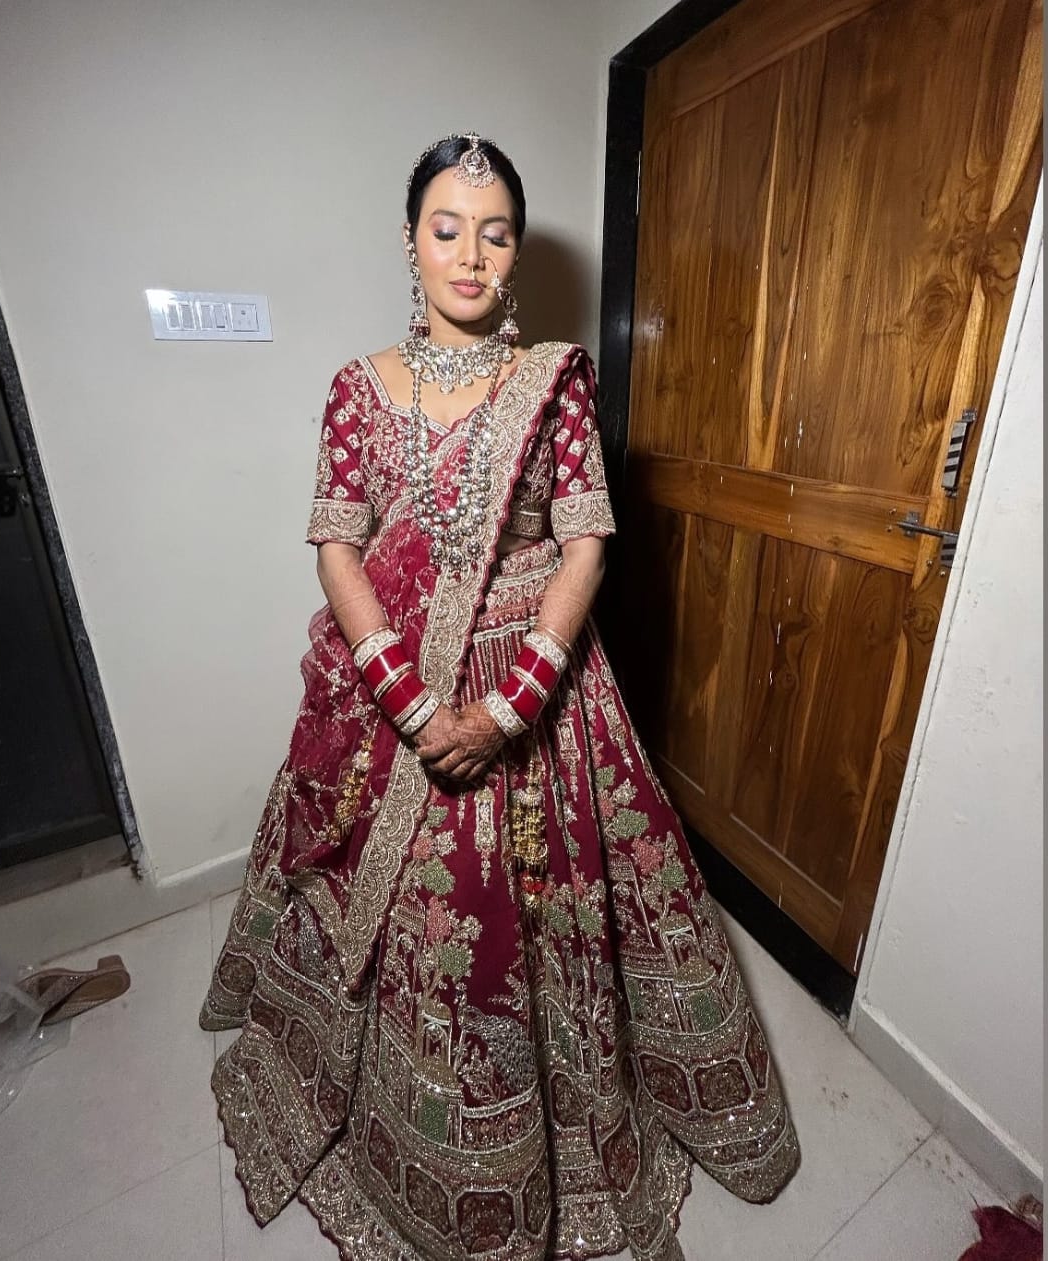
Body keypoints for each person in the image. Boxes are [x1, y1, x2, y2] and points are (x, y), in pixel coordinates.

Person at [201, 132, 799, 1261]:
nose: (470, 255)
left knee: (544, 915)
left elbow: (585, 545)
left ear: (516, 251)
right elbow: (337, 549)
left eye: (496, 233)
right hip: (394, 690)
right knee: (414, 930)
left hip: (541, 690)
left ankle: (566, 1119)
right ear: (409, 240)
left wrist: (511, 707)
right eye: (447, 229)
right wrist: (415, 708)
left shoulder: (552, 381)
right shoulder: (355, 388)